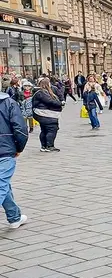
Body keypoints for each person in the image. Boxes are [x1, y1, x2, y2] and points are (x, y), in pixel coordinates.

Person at [0, 84, 28, 229]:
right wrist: (18, 147)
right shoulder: (8, 103)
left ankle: (14, 217)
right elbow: (20, 129)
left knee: (3, 184)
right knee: (1, 184)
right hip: (5, 150)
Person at [32, 78, 62, 152]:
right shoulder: (41, 92)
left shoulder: (40, 92)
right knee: (52, 129)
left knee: (44, 130)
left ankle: (44, 146)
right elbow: (50, 101)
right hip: (46, 114)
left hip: (44, 114)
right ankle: (49, 146)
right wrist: (60, 103)